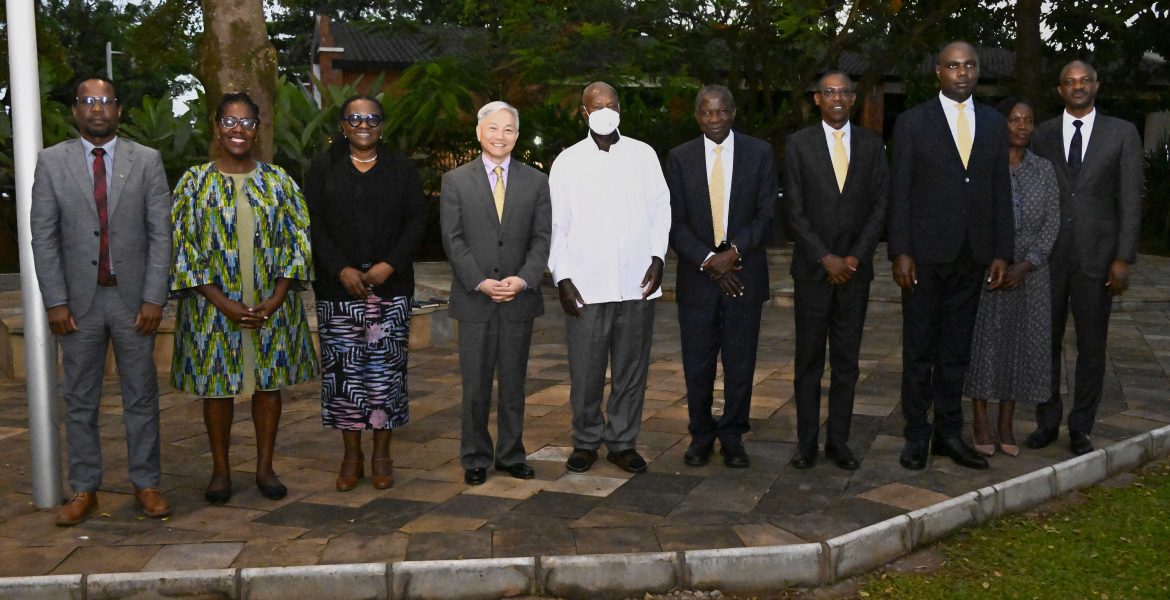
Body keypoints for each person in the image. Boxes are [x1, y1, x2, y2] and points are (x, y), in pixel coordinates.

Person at [30, 76, 173, 525]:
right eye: (88, 101)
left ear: (119, 109)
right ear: (75, 110)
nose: (97, 109)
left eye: (105, 101)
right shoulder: (51, 163)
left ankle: (146, 482)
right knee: (79, 400)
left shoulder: (147, 161)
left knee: (141, 397)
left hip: (134, 304)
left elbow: (160, 234)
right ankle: (84, 487)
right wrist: (55, 300)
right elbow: (43, 237)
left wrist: (154, 296)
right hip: (78, 305)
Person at [170, 92, 318, 503]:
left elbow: (297, 241)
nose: (238, 130)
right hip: (213, 307)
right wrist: (224, 303)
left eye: (247, 122)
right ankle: (220, 471)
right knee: (217, 388)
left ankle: (265, 467)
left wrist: (276, 297)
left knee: (268, 385)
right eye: (230, 122)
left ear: (258, 129)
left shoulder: (279, 181)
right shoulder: (194, 182)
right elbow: (184, 247)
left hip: (271, 305)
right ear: (217, 128)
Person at [887, 41, 1014, 471]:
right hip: (922, 256)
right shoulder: (911, 123)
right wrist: (900, 250)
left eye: (970, 65)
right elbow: (899, 190)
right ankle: (916, 436)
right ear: (938, 72)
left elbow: (1000, 191)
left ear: (978, 72)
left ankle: (948, 434)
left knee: (956, 351)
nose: (962, 72)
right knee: (919, 351)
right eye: (953, 66)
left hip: (973, 254)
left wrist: (1001, 251)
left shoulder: (995, 123)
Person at [548, 81, 671, 474]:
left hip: (638, 282)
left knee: (631, 369)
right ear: (584, 113)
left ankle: (622, 441)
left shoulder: (643, 154)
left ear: (620, 108)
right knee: (585, 370)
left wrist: (658, 257)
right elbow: (556, 226)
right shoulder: (567, 161)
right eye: (596, 105)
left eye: (611, 103)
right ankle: (585, 440)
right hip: (586, 284)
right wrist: (562, 278)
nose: (604, 109)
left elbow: (660, 210)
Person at [305, 95, 426, 492]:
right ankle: (351, 455)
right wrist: (340, 268)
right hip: (338, 289)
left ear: (382, 124)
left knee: (385, 375)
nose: (363, 124)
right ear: (342, 124)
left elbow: (416, 222)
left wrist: (388, 264)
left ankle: (382, 455)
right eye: (354, 117)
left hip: (390, 290)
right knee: (344, 377)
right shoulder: (323, 168)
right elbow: (314, 224)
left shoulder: (402, 169)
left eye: (372, 117)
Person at [1027, 60, 1144, 456]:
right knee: (1045, 343)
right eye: (1069, 82)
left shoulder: (1123, 133)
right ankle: (1046, 420)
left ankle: (1081, 425)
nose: (1078, 87)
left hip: (1098, 258)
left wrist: (1123, 257)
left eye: (1084, 81)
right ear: (1059, 90)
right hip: (1048, 257)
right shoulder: (1041, 134)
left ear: (1096, 85)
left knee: (1092, 346)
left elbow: (1130, 199)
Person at [665, 85, 777, 469]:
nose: (715, 120)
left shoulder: (759, 153)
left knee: (740, 362)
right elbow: (674, 221)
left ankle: (732, 436)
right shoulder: (679, 158)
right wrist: (710, 261)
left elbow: (766, 213)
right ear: (697, 116)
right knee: (698, 363)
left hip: (744, 273)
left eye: (721, 112)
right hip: (698, 279)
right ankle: (700, 435)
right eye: (707, 113)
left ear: (733, 113)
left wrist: (733, 254)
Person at [441, 101, 551, 486]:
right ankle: (475, 456)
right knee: (475, 385)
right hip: (475, 299)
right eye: (493, 128)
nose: (500, 136)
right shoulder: (455, 181)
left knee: (514, 384)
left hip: (518, 298)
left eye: (508, 129)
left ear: (516, 136)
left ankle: (511, 454)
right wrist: (479, 281)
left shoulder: (536, 182)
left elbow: (542, 239)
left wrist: (523, 279)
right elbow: (452, 240)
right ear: (478, 133)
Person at [785, 71, 889, 470]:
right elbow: (793, 208)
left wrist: (854, 258)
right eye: (829, 92)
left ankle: (839, 442)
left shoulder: (872, 144)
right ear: (817, 99)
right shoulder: (798, 145)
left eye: (845, 91)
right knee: (808, 361)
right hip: (813, 272)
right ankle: (807, 443)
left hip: (855, 273)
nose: (838, 98)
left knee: (847, 362)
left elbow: (880, 205)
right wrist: (824, 257)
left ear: (854, 97)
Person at [964, 99, 1060, 458]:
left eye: (1029, 120)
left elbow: (1052, 222)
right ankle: (980, 420)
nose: (1022, 126)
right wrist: (997, 260)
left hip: (1031, 274)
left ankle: (1006, 423)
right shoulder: (985, 167)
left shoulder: (1044, 170)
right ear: (1002, 125)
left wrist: (1027, 265)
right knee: (983, 344)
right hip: (988, 269)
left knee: (1019, 347)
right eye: (1015, 119)